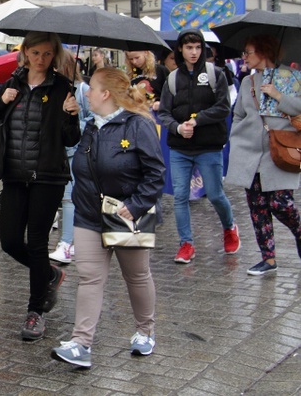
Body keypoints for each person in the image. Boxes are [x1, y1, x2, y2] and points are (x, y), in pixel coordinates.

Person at [51, 67, 165, 368]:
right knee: (89, 278)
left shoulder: (137, 125)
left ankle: (145, 331)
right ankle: (81, 343)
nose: (86, 93)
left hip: (126, 213)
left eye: (91, 89)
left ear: (105, 94)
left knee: (136, 276)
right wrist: (69, 115)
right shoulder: (92, 125)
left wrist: (137, 204)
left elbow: (156, 174)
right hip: (90, 214)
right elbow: (71, 144)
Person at [0, 31, 81, 340]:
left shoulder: (63, 88)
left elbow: (71, 139)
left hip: (48, 175)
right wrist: (1, 103)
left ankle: (35, 311)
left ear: (54, 56)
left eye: (46, 54)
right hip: (15, 173)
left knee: (39, 242)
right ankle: (50, 274)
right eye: (35, 53)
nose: (40, 59)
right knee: (10, 241)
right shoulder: (11, 84)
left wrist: (71, 116)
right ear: (25, 52)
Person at [158, 28, 239, 264]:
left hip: (209, 146)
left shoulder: (216, 74)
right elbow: (164, 113)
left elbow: (224, 106)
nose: (193, 52)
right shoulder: (172, 78)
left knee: (215, 194)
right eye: (189, 48)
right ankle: (186, 243)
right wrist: (177, 128)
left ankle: (229, 227)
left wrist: (198, 120)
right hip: (180, 148)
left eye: (197, 47)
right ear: (180, 50)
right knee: (180, 196)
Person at [226, 35, 301, 276]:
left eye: (248, 52)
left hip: (279, 151)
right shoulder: (248, 81)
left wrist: (279, 96)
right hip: (250, 154)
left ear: (263, 51)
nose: (244, 57)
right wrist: (237, 136)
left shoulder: (288, 77)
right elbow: (238, 114)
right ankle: (268, 259)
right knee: (257, 207)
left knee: (281, 204)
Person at [49, 50, 93, 264]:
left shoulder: (83, 90)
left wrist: (75, 119)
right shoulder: (50, 90)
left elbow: (96, 119)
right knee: (64, 198)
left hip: (76, 152)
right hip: (56, 152)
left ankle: (66, 243)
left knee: (69, 199)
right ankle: (72, 242)